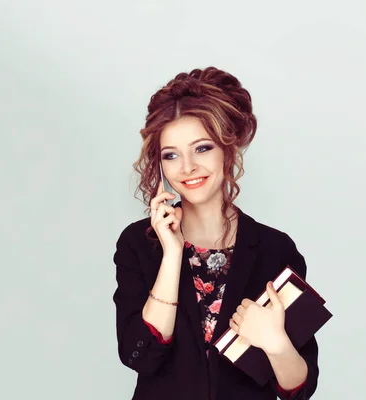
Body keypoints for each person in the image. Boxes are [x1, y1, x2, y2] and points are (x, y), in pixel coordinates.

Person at [112, 66, 319, 400]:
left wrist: (276, 341)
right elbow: (139, 355)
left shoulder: (275, 249)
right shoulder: (139, 243)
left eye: (202, 148)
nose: (188, 167)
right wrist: (172, 254)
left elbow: (297, 388)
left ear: (228, 147)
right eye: (171, 155)